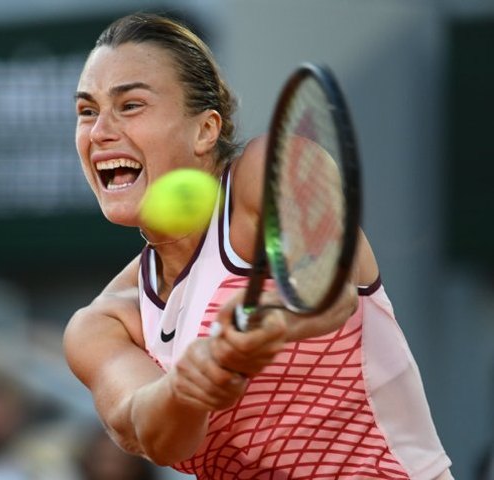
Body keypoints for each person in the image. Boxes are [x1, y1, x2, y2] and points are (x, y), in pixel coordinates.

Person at [63, 12, 452, 479]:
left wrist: (272, 323)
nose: (100, 131)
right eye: (87, 111)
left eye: (130, 106)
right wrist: (190, 386)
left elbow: (329, 293)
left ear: (206, 130)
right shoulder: (103, 324)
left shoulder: (270, 171)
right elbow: (156, 438)